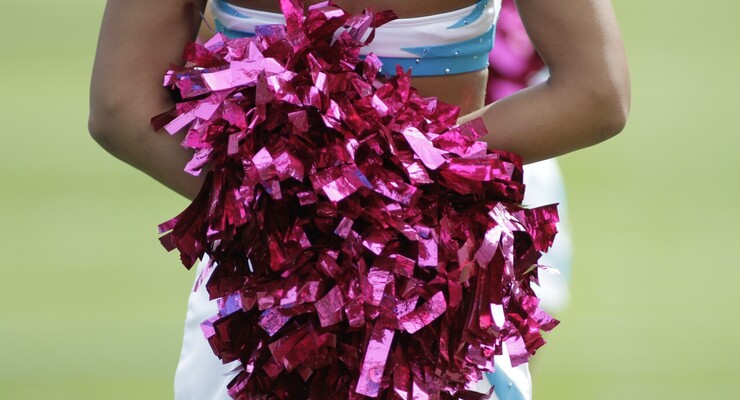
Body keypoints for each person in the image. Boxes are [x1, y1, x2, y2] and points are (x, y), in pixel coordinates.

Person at [89, 0, 630, 399]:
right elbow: (595, 93)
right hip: (437, 289)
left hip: (267, 295)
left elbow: (120, 106)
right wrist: (406, 187)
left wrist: (288, 213)